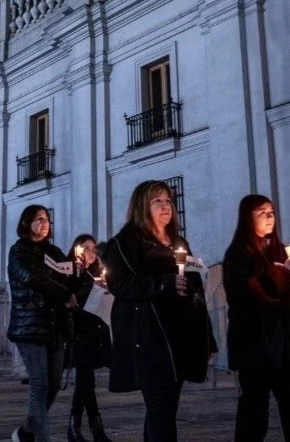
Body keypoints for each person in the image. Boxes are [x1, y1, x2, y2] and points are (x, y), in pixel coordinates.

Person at [103, 180, 216, 442]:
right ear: (143, 206)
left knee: (165, 409)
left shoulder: (177, 241)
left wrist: (208, 337)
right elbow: (120, 283)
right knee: (160, 407)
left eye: (168, 201)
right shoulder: (125, 243)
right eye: (158, 201)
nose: (166, 206)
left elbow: (195, 291)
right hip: (150, 337)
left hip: (179, 336)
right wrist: (164, 283)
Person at [223, 195, 290, 442]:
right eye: (261, 212)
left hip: (286, 344)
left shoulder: (278, 249)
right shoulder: (239, 253)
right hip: (256, 344)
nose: (269, 217)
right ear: (248, 218)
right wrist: (281, 275)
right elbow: (243, 293)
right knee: (254, 409)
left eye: (272, 212)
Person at [8, 205, 76, 442]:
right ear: (26, 223)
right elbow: (32, 276)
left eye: (46, 219)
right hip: (29, 324)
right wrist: (65, 294)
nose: (44, 223)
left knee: (54, 385)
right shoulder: (19, 251)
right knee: (40, 383)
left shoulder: (55, 252)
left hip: (54, 325)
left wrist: (81, 269)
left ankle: (26, 431)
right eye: (38, 219)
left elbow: (68, 278)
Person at [65, 234, 112, 442]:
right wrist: (86, 283)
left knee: (85, 381)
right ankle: (97, 429)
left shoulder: (98, 273)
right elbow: (70, 300)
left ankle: (74, 428)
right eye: (86, 247)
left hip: (96, 332)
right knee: (87, 380)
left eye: (93, 248)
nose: (91, 252)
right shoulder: (71, 272)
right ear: (77, 250)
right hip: (78, 332)